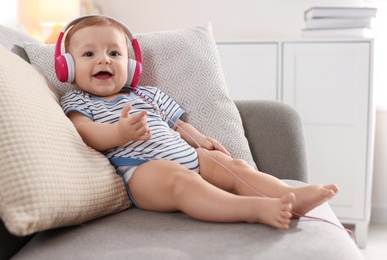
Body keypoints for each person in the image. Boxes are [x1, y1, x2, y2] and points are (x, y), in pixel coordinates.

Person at [59, 16, 338, 230]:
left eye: (114, 53)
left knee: (232, 165)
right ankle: (253, 209)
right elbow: (86, 133)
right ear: (68, 67)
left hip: (189, 156)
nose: (104, 60)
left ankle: (290, 196)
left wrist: (200, 141)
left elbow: (178, 125)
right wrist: (119, 132)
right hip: (142, 172)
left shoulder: (148, 94)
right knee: (182, 182)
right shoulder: (80, 101)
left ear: (132, 66)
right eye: (89, 54)